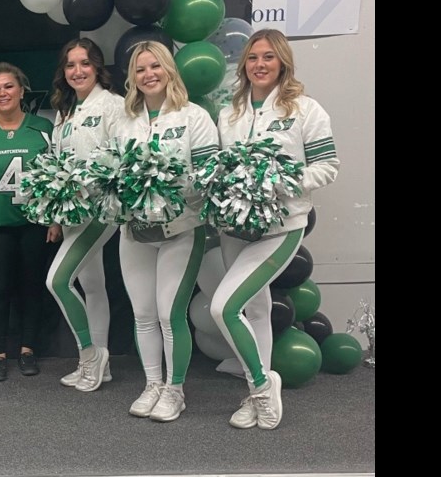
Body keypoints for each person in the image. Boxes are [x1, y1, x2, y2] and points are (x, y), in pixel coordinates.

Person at [209, 28, 339, 430]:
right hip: (236, 227)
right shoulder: (229, 114)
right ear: (243, 64)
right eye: (252, 58)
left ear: (283, 62)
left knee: (223, 307)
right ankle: (254, 392)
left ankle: (264, 386)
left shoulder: (305, 110)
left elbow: (327, 167)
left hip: (282, 226)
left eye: (268, 57)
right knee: (255, 309)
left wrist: (278, 180)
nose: (259, 65)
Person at [115, 41, 219, 421]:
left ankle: (175, 390)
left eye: (155, 66)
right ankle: (152, 384)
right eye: (140, 69)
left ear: (170, 69)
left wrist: (168, 184)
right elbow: (113, 172)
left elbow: (210, 177)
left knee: (167, 313)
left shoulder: (194, 117)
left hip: (181, 229)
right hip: (135, 233)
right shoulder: (125, 120)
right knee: (142, 313)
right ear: (132, 77)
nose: (149, 75)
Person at [0, 62, 60, 381]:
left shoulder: (42, 129)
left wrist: (55, 217)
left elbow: (56, 177)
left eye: (8, 86)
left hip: (34, 223)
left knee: (31, 287)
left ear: (22, 90)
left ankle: (28, 349)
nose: (2, 93)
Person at [45, 38, 125, 392]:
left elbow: (123, 158)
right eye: (70, 65)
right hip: (73, 213)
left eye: (84, 64)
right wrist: (57, 212)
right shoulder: (64, 113)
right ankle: (98, 366)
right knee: (93, 287)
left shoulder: (113, 106)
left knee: (57, 281)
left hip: (100, 211)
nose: (77, 71)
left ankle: (91, 354)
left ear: (97, 67)